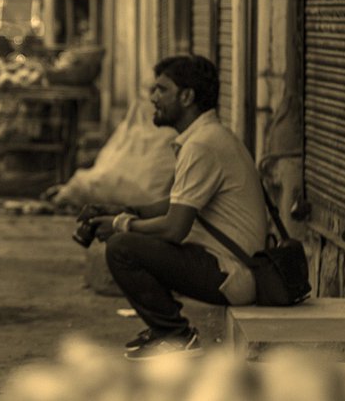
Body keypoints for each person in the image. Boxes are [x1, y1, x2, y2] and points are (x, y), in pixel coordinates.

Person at [91, 55, 267, 359]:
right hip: (230, 266)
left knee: (123, 247)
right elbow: (178, 202)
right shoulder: (207, 137)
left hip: (234, 274)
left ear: (186, 97)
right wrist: (127, 209)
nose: (153, 98)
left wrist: (121, 224)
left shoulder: (201, 146)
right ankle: (166, 332)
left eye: (162, 90)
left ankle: (175, 335)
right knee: (131, 238)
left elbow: (174, 228)